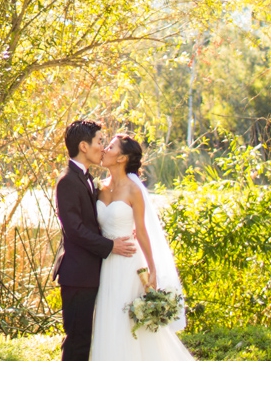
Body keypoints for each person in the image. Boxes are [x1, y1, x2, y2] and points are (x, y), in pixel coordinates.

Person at [89, 133, 193, 360]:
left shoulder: (133, 191)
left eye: (111, 147)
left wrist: (152, 269)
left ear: (122, 158)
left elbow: (142, 232)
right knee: (107, 318)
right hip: (106, 262)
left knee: (125, 320)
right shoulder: (99, 187)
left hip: (129, 263)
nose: (104, 150)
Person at [53, 119, 137, 360]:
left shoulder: (88, 179)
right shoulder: (68, 180)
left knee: (86, 338)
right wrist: (111, 245)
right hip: (77, 273)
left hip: (91, 272)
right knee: (77, 340)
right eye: (100, 141)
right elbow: (75, 229)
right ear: (83, 146)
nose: (102, 147)